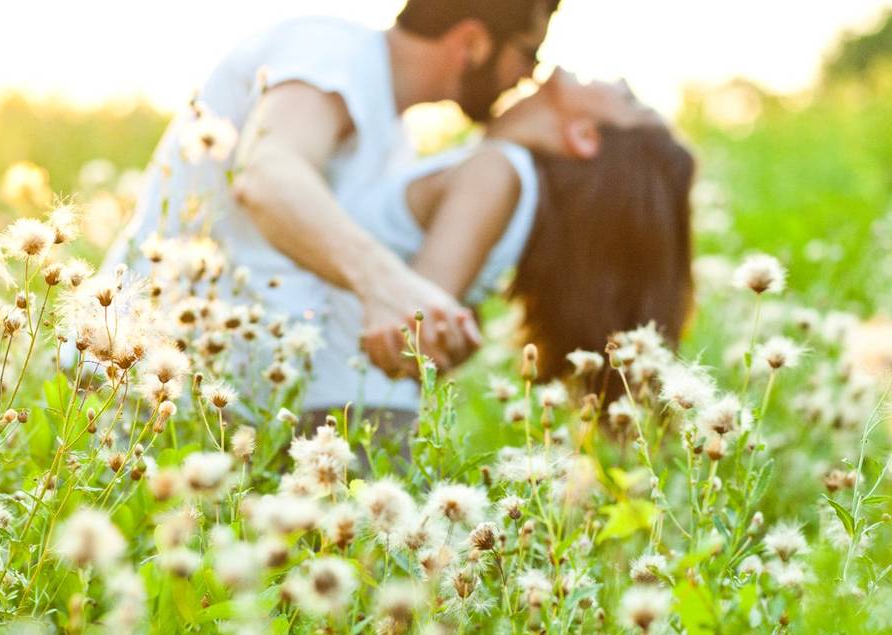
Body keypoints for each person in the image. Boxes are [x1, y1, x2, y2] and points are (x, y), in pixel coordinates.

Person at [105, 0, 560, 380]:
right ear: (473, 43)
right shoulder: (333, 51)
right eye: (529, 54)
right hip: (132, 374)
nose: (528, 77)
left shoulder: (396, 139)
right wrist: (386, 283)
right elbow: (269, 174)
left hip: (229, 404)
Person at [304, 70, 695, 423]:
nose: (623, 80)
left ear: (584, 135)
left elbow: (413, 324)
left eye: (629, 101)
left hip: (345, 419)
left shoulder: (495, 171)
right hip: (348, 411)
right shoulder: (508, 180)